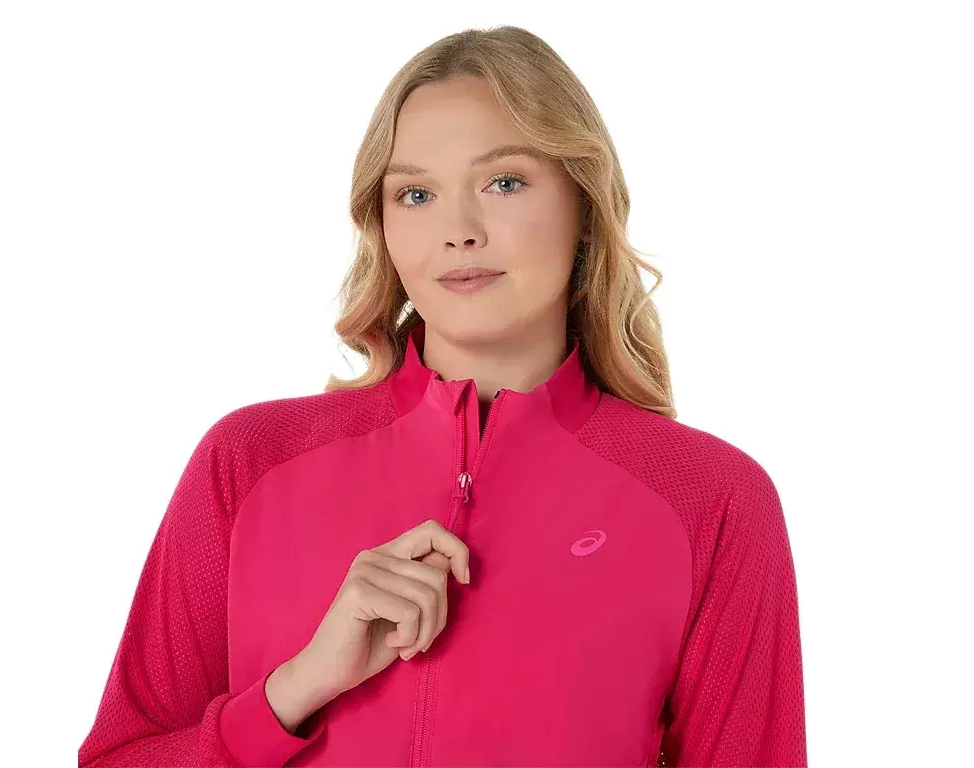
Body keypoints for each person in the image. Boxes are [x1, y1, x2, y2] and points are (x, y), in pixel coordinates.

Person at [78, 25, 807, 768]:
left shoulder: (709, 500)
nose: (459, 232)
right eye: (417, 194)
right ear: (382, 224)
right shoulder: (248, 463)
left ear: (584, 205)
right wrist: (293, 690)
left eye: (505, 183)